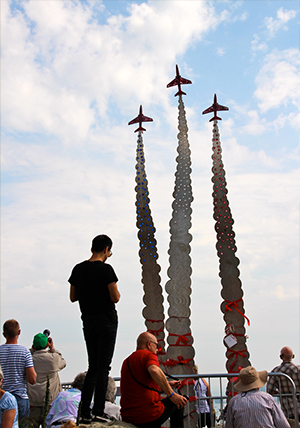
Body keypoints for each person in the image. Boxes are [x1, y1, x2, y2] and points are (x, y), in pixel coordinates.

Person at [69, 234, 120, 424]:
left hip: (88, 321)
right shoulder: (107, 270)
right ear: (106, 249)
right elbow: (115, 297)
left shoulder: (78, 269)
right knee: (103, 367)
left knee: (92, 367)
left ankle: (84, 412)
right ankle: (99, 410)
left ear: (92, 248)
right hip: (106, 321)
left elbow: (73, 296)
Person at [120, 332, 187, 428]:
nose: (157, 350)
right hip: (148, 415)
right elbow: (154, 370)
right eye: (157, 346)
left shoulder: (126, 361)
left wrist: (166, 385)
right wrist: (172, 395)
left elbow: (141, 387)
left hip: (128, 416)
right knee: (179, 402)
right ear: (149, 344)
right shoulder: (149, 355)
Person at [46, 373, 120, 428]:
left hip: (55, 425)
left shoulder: (61, 395)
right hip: (72, 425)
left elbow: (49, 416)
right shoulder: (85, 400)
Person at [226, 366, 290, 428]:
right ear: (258, 384)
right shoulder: (268, 399)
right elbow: (283, 425)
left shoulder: (234, 402)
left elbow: (229, 426)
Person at [27, 332, 67, 426]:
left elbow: (29, 353)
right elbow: (63, 362)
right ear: (47, 344)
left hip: (33, 403)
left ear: (33, 346)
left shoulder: (29, 360)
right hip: (50, 403)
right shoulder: (53, 358)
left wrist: (33, 350)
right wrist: (52, 348)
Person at [0, 319, 36, 420]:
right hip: (20, 398)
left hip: (2, 396)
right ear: (19, 332)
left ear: (4, 334)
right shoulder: (24, 352)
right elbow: (32, 379)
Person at [267, 346, 300, 421]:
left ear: (280, 356)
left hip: (288, 409)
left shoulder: (276, 371)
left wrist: (280, 392)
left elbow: (269, 390)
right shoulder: (298, 369)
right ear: (293, 356)